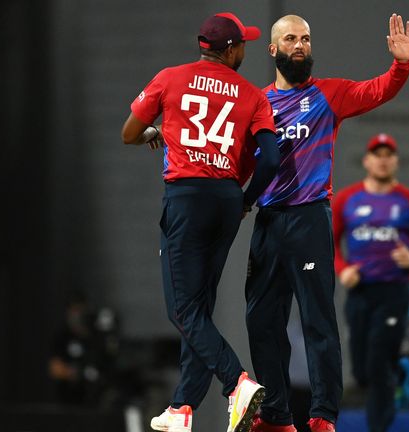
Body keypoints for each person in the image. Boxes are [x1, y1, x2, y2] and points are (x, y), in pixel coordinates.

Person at [245, 14, 409, 432]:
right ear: (273, 50)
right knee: (261, 321)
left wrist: (401, 66)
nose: (299, 45)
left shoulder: (328, 94)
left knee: (317, 319)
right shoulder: (256, 103)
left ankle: (322, 416)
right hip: (267, 221)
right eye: (290, 39)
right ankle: (276, 414)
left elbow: (377, 90)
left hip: (308, 219)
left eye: (305, 38)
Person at [120, 12, 280, 432]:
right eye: (242, 42)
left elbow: (128, 133)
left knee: (182, 308)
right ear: (230, 49)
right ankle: (182, 407)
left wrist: (155, 132)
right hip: (226, 199)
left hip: (187, 196)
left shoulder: (171, 78)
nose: (244, 48)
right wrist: (246, 198)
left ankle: (237, 382)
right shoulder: (251, 94)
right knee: (200, 306)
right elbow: (272, 158)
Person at [331, 133, 409, 432]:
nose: (382, 160)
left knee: (379, 358)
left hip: (394, 290)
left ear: (396, 161)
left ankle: (378, 426)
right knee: (361, 369)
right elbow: (329, 244)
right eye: (377, 154)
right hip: (359, 290)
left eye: (388, 154)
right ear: (367, 161)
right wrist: (342, 270)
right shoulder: (347, 199)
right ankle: (399, 372)